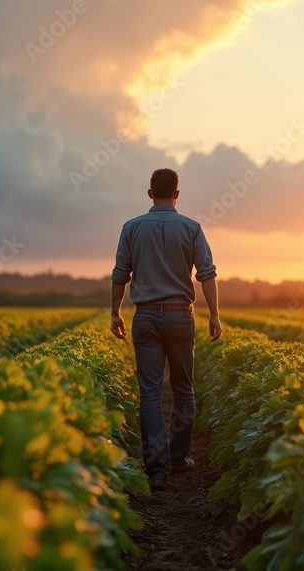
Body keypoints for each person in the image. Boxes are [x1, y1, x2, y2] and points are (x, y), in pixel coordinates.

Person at [110, 168, 222, 491]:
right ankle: (178, 458)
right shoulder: (192, 228)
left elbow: (120, 274)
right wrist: (214, 314)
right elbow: (207, 274)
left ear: (149, 194)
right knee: (184, 389)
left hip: (144, 318)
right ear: (177, 194)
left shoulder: (131, 228)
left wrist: (115, 312)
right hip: (179, 317)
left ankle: (156, 469)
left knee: (150, 393)